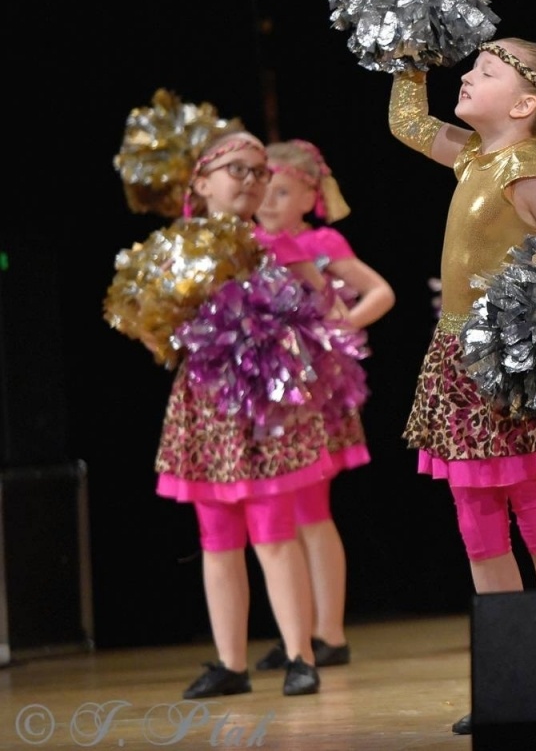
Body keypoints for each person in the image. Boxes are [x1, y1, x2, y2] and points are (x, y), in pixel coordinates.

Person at [387, 38, 536, 735]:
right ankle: (509, 681)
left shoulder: (531, 168)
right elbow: (407, 122)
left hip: (506, 364)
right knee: (477, 524)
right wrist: (408, 55)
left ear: (522, 105)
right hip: (457, 362)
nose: (467, 75)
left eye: (484, 72)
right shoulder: (473, 156)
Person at [142, 129, 330, 699]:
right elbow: (151, 320)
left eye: (259, 172)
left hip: (264, 403)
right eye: (237, 170)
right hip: (207, 404)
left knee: (273, 532)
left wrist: (282, 333)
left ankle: (300, 656)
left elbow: (322, 306)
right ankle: (230, 664)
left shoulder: (274, 245)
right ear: (201, 184)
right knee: (217, 536)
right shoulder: (179, 248)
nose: (251, 181)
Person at [251, 139, 396, 671]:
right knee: (280, 516)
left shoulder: (319, 242)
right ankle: (301, 636)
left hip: (312, 393)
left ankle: (327, 632)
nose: (269, 200)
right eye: (264, 189)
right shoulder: (247, 241)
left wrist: (338, 329)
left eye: (282, 191)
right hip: (267, 393)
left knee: (310, 511)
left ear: (310, 196)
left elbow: (380, 292)